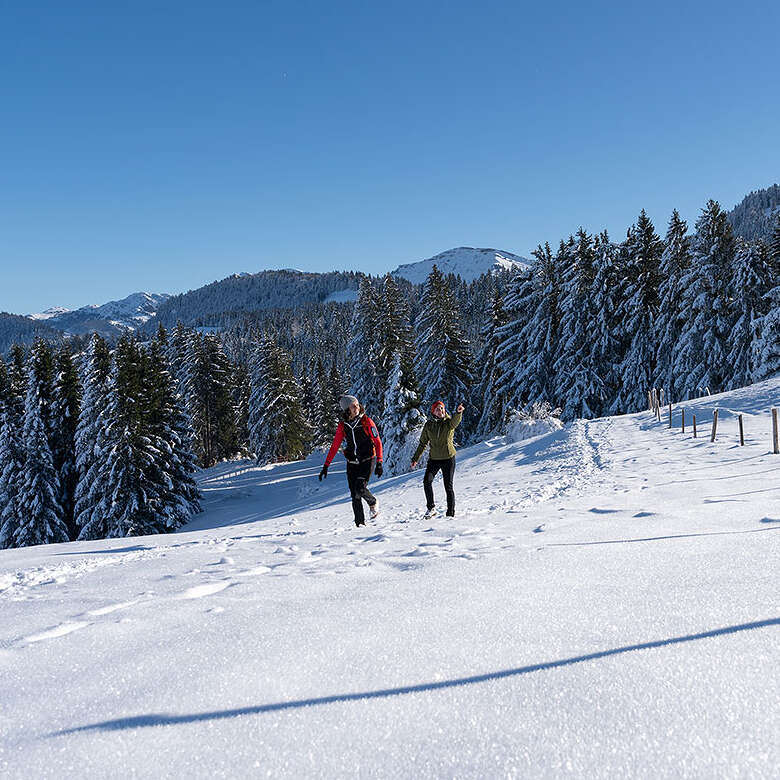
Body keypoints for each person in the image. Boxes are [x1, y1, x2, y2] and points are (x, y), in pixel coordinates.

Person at [319, 395, 384, 527]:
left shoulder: (366, 421)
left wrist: (379, 462)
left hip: (367, 459)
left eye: (358, 405)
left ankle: (372, 502)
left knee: (360, 487)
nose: (357, 408)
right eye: (353, 406)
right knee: (354, 494)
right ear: (347, 410)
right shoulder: (343, 426)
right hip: (352, 462)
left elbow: (377, 442)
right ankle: (359, 524)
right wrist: (326, 465)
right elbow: (335, 445)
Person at [411, 401, 464, 518]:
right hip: (434, 459)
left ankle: (450, 514)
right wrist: (415, 458)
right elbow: (422, 443)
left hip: (448, 458)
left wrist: (458, 412)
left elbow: (455, 422)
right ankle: (431, 508)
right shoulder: (429, 425)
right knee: (427, 481)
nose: (441, 411)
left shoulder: (448, 423)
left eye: (442, 408)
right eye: (438, 409)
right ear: (433, 412)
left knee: (448, 486)